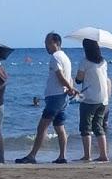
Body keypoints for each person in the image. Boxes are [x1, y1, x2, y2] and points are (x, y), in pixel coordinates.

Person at [16, 33, 76, 164]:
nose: (45, 46)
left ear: (55, 42)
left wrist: (70, 88)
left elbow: (60, 77)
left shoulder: (55, 57)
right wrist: (70, 88)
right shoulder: (66, 57)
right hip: (62, 97)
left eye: (47, 43)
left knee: (42, 127)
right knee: (60, 127)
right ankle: (62, 156)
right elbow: (69, 77)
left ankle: (32, 155)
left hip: (56, 97)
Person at [73, 37, 110, 162]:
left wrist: (77, 79)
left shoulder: (85, 61)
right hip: (103, 98)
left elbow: (79, 78)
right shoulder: (103, 62)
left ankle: (87, 155)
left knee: (85, 127)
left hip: (89, 98)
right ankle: (103, 155)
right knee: (98, 126)